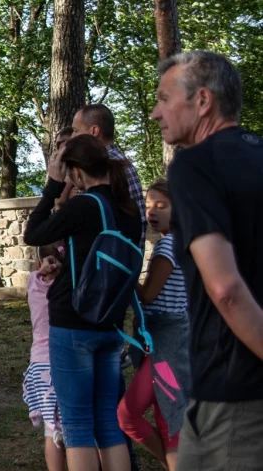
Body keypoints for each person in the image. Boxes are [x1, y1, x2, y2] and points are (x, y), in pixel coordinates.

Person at [151, 51, 263, 470]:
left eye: (164, 99)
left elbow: (226, 289)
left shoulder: (193, 166)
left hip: (236, 393)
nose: (154, 113)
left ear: (202, 101)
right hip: (209, 395)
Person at [24, 134, 144, 471]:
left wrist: (51, 186)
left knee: (76, 423)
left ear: (75, 172)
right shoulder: (128, 209)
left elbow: (34, 234)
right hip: (110, 319)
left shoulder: (83, 205)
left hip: (73, 322)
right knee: (107, 420)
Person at [117, 179, 190, 471]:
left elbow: (147, 295)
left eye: (161, 205)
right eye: (148, 205)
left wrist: (121, 274)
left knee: (129, 415)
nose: (152, 211)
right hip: (173, 344)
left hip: (168, 350)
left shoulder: (169, 245)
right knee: (168, 416)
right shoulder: (186, 241)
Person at [72, 104, 147, 250]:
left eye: (75, 130)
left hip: (109, 262)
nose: (72, 137)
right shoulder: (120, 161)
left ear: (94, 131)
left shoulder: (105, 166)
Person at [23, 242, 66, 471]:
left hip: (39, 364)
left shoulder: (32, 282)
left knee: (52, 431)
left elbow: (37, 275)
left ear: (39, 262)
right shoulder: (68, 286)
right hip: (65, 361)